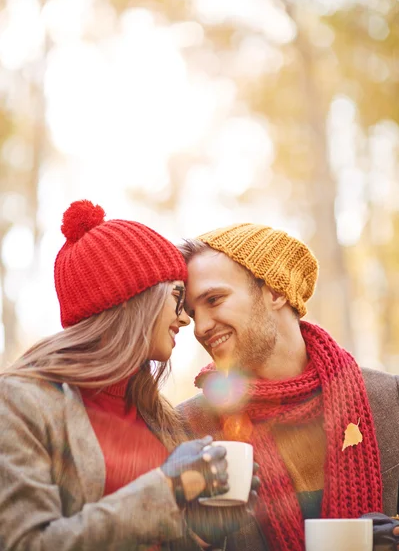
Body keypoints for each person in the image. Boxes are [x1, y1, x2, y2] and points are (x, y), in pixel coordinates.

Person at [0, 199, 238, 551]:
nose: (186, 319)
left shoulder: (159, 415)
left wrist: (203, 534)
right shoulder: (21, 402)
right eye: (176, 297)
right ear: (130, 298)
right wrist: (166, 489)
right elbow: (26, 543)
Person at [177, 223, 399, 551]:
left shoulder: (390, 401)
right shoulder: (188, 428)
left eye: (214, 299)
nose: (202, 327)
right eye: (194, 314)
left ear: (276, 291)